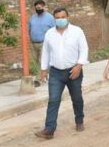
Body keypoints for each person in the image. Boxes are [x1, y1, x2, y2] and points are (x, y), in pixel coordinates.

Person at [34, 8, 88, 139]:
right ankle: (49, 129)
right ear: (54, 19)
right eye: (57, 17)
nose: (60, 20)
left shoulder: (77, 31)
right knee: (53, 100)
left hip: (73, 71)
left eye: (63, 17)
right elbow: (46, 52)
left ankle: (79, 120)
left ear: (68, 17)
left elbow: (84, 49)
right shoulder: (49, 34)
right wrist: (43, 69)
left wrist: (79, 65)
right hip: (56, 73)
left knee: (76, 98)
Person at [29, 0, 55, 86]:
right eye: (36, 8)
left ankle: (38, 80)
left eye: (39, 7)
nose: (38, 9)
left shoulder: (50, 18)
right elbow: (29, 29)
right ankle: (44, 75)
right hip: (33, 43)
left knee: (41, 61)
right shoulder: (33, 17)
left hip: (44, 43)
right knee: (34, 62)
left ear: (43, 7)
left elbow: (54, 30)